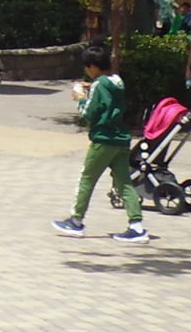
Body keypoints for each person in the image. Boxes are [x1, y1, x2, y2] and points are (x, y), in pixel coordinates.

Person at [53, 45, 148, 243]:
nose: (86, 70)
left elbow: (88, 113)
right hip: (121, 140)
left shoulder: (98, 85)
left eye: (87, 67)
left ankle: (76, 221)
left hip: (103, 140)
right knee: (124, 183)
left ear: (94, 67)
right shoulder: (117, 81)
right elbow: (107, 95)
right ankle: (136, 226)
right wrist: (92, 87)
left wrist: (80, 98)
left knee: (87, 179)